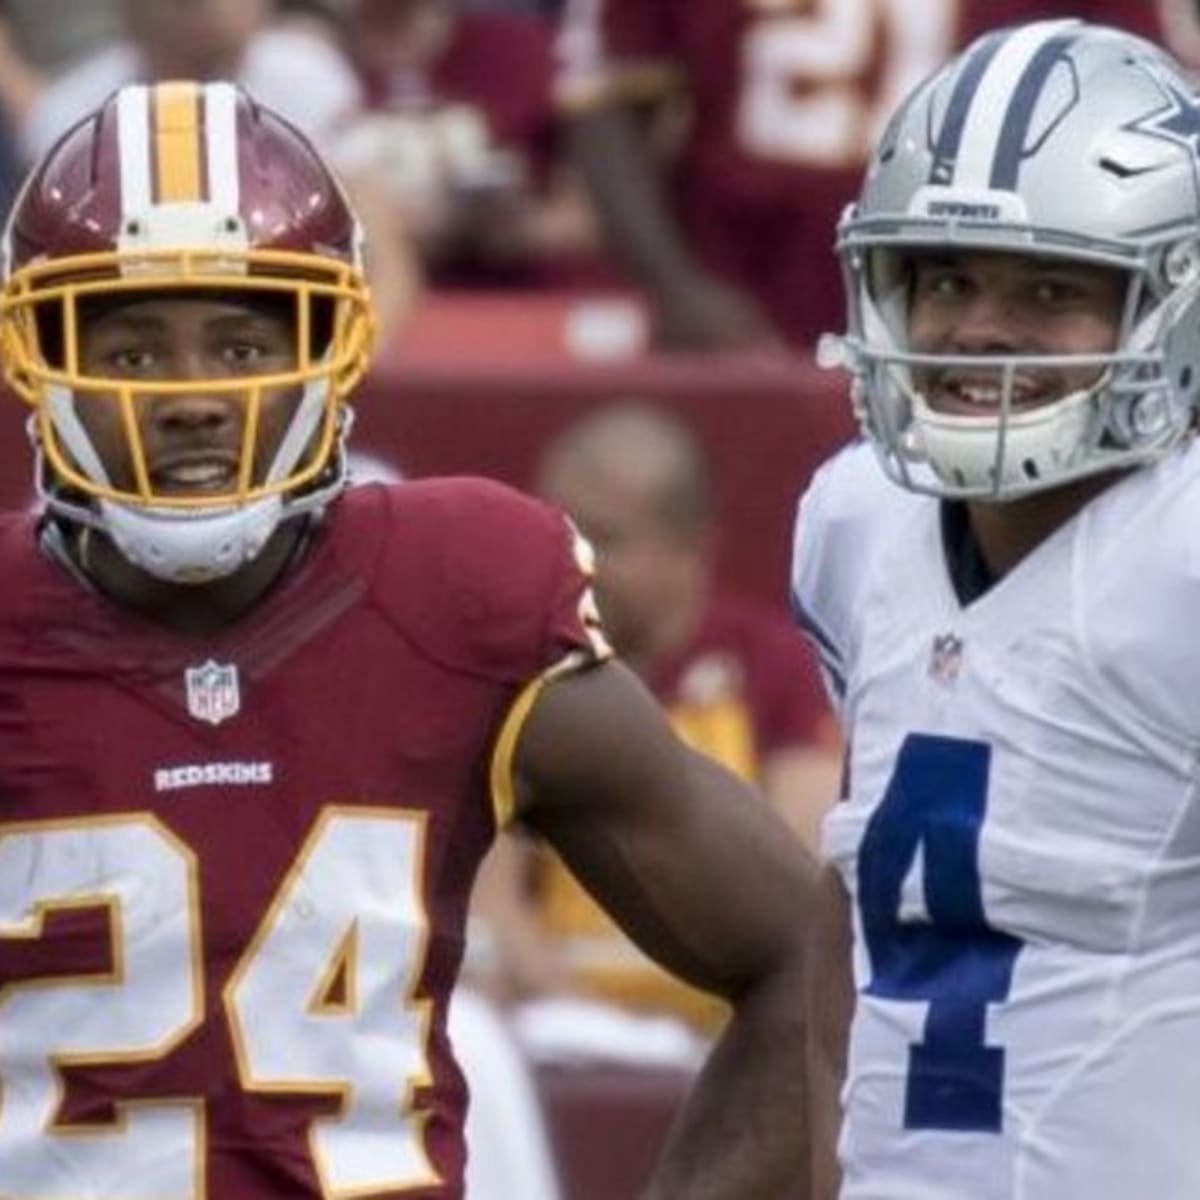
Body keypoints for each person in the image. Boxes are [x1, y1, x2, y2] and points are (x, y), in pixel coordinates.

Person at [0, 78, 820, 1199]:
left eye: (240, 346)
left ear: (332, 345)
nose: (191, 398)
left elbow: (809, 956)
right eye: (135, 353)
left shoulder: (458, 594)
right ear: (37, 358)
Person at [795, 18, 1200, 1200]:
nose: (979, 327)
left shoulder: (1180, 561)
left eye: (1052, 287)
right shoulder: (854, 522)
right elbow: (851, 902)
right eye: (947, 277)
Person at [475, 403, 840, 1034]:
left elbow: (809, 886)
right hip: (557, 1028)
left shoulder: (775, 668)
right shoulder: (520, 673)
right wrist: (609, 1030)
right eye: (554, 531)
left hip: (737, 1028)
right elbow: (494, 914)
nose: (570, 561)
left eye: (603, 538)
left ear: (690, 547)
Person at [554, 0, 1169, 353]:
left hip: (975, 278)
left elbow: (1144, 100)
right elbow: (605, 97)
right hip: (747, 292)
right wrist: (675, 285)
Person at [18, 0, 420, 341]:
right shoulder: (67, 111)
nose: (213, 9)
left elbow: (382, 246)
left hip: (280, 319)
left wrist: (356, 355)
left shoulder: (309, 79)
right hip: (125, 321)